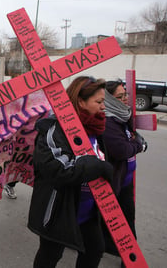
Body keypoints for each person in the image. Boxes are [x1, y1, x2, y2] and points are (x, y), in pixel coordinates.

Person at [28, 76, 114, 268]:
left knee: (95, 249)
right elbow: (58, 170)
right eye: (98, 102)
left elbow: (102, 159)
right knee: (50, 256)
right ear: (81, 102)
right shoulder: (53, 130)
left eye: (104, 102)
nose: (103, 107)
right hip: (60, 209)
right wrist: (98, 166)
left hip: (89, 209)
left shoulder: (96, 128)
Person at [102, 80, 147, 265]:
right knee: (124, 221)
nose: (125, 99)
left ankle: (116, 249)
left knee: (127, 217)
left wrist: (135, 141)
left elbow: (131, 138)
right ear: (109, 100)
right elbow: (121, 150)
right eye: (120, 97)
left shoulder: (123, 116)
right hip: (113, 180)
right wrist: (139, 145)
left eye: (126, 95)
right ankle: (130, 259)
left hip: (125, 178)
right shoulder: (108, 121)